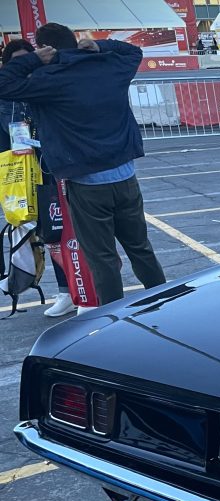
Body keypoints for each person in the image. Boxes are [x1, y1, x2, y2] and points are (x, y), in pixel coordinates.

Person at [0, 23, 166, 306]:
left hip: (86, 182)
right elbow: (133, 52)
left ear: (44, 48)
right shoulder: (108, 66)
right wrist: (102, 45)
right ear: (75, 41)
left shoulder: (50, 79)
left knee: (102, 259)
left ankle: (114, 321)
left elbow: (4, 83)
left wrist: (34, 60)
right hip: (125, 175)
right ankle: (166, 303)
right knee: (140, 248)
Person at [0, 39, 75, 317]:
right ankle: (66, 291)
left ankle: (83, 288)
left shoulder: (46, 87)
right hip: (26, 177)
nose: (24, 68)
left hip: (59, 168)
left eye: (28, 60)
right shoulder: (5, 97)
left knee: (73, 231)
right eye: (18, 63)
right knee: (46, 235)